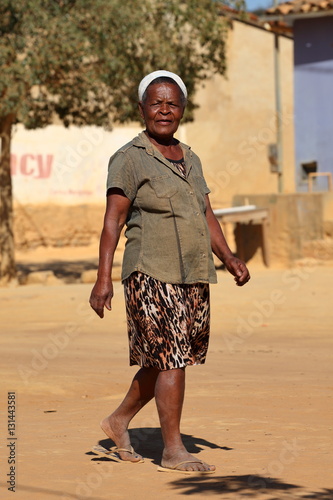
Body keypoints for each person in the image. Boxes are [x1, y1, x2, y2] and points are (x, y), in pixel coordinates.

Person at [89, 70, 250, 474]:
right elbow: (113, 221)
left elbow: (206, 213)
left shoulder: (190, 158)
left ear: (181, 110)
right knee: (172, 358)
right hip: (149, 271)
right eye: (156, 102)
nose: (164, 109)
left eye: (172, 103)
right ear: (142, 109)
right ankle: (173, 449)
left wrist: (228, 257)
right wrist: (103, 278)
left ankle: (118, 421)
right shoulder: (128, 158)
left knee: (165, 358)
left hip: (192, 273)